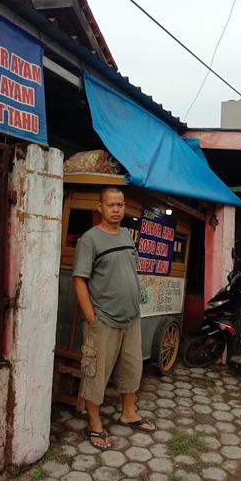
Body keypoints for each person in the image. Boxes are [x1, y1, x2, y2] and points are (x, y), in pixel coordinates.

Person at [72, 186, 155, 450]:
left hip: (131, 318)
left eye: (120, 205)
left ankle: (128, 413)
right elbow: (79, 280)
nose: (117, 210)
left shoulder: (128, 237)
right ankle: (94, 423)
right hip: (103, 319)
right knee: (95, 373)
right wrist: (91, 316)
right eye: (111, 205)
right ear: (100, 208)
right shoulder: (90, 239)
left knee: (132, 369)